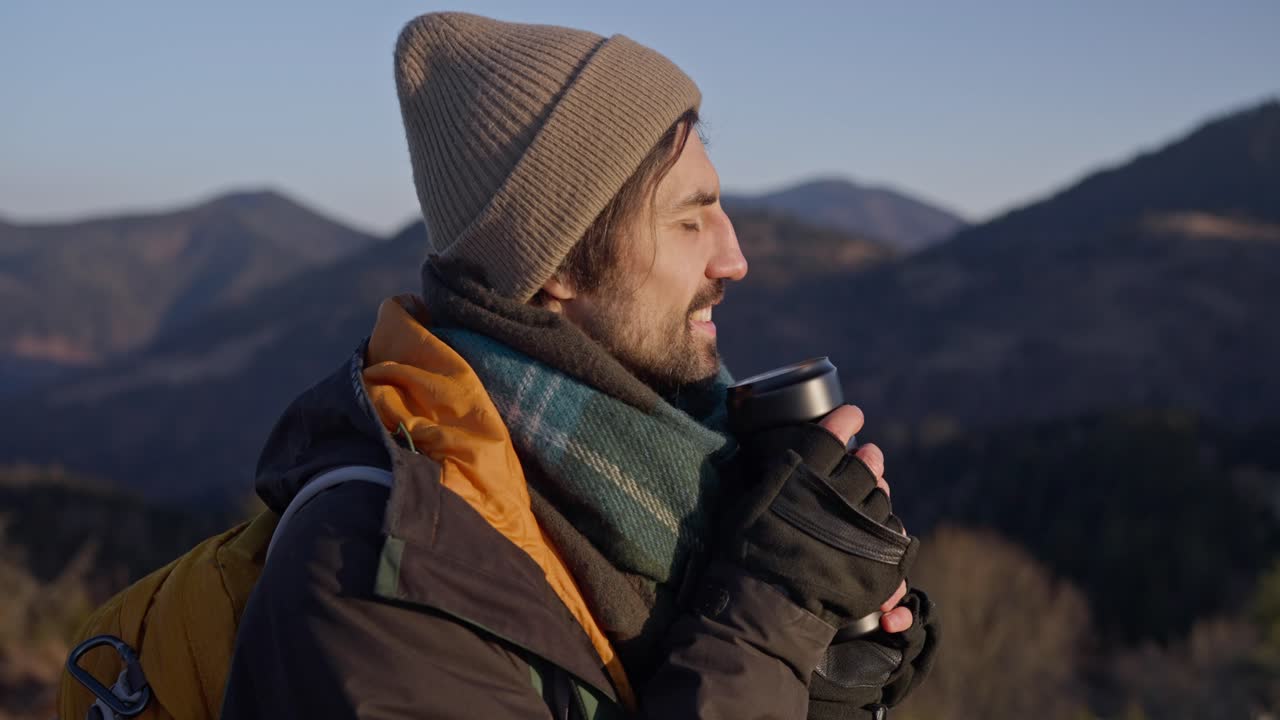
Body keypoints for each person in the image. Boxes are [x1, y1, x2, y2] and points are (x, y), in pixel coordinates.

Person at [221, 11, 937, 720]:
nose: (735, 260)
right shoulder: (377, 574)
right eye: (688, 221)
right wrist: (773, 610)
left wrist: (818, 677)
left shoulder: (678, 474)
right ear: (557, 264)